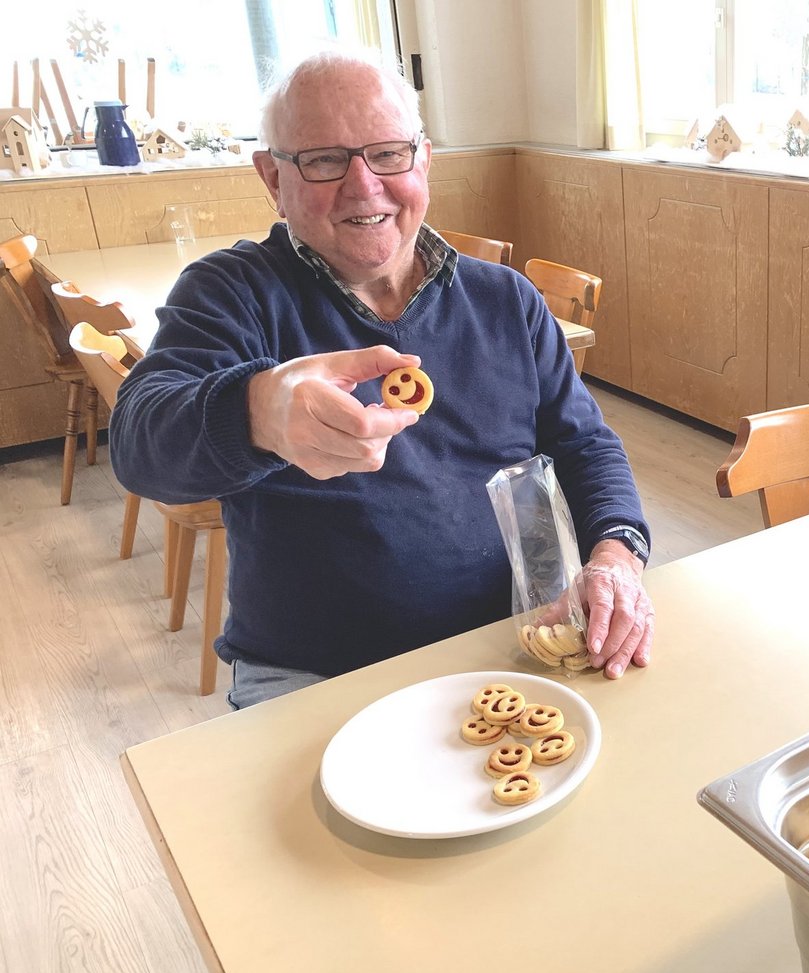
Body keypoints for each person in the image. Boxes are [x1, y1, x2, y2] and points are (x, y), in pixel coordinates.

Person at [110, 51, 654, 708]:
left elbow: (586, 444)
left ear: (422, 160)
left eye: (388, 153)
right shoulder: (234, 293)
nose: (364, 185)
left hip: (515, 640)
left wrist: (617, 553)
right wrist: (259, 411)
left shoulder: (506, 299)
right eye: (323, 160)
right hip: (315, 674)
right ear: (271, 177)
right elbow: (140, 445)